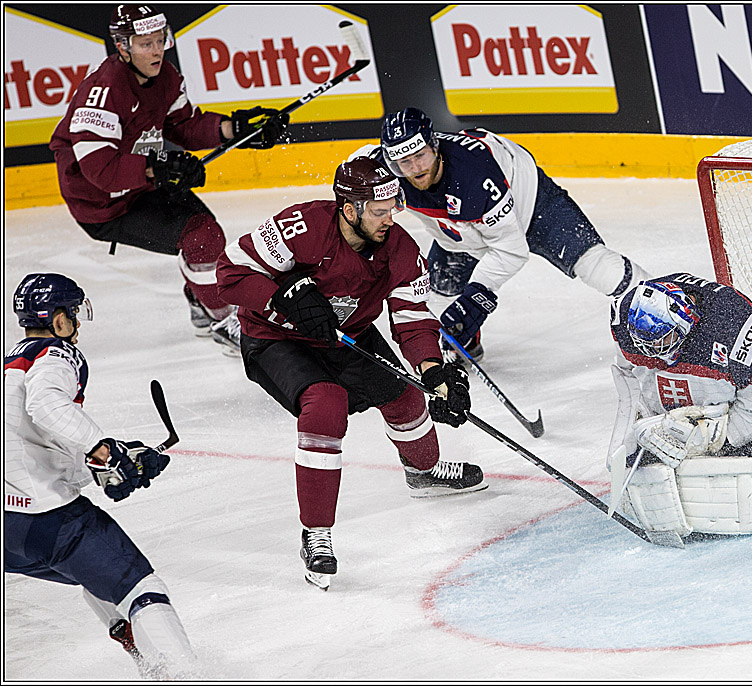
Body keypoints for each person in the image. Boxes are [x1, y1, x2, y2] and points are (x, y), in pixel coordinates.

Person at [215, 157, 487, 591]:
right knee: (326, 404)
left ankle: (424, 471)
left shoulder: (401, 251)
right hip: (274, 337)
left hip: (347, 335)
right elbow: (227, 273)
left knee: (406, 397)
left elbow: (412, 321)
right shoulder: (299, 227)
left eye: (392, 207)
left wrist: (435, 373)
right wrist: (282, 296)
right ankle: (316, 534)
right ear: (349, 209)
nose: (389, 219)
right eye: (378, 211)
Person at [48, 5, 288, 355]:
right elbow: (99, 172)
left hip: (139, 184)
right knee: (202, 237)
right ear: (123, 47)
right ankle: (224, 321)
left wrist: (235, 129)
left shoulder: (165, 77)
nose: (157, 50)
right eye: (145, 43)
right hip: (103, 205)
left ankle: (200, 300)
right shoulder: (104, 90)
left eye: (160, 40)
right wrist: (158, 169)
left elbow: (184, 125)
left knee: (205, 236)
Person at [5, 273, 193, 677]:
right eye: (72, 314)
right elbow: (47, 408)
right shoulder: (57, 353)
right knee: (140, 587)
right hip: (46, 520)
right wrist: (103, 450)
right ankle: (185, 676)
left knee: (90, 570)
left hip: (8, 533)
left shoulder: (8, 366)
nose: (74, 322)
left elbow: (30, 443)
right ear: (58, 320)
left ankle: (128, 633)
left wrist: (103, 466)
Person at [354, 107, 651, 360]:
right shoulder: (381, 171)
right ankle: (462, 342)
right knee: (440, 291)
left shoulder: (474, 174)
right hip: (459, 230)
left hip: (532, 202)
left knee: (596, 265)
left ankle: (661, 306)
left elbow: (510, 250)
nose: (415, 169)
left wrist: (477, 297)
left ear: (435, 146)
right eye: (403, 162)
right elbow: (349, 182)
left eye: (420, 156)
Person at [605, 272, 752, 545]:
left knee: (743, 469)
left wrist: (712, 438)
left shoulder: (733, 330)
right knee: (652, 458)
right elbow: (630, 380)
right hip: (708, 401)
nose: (654, 351)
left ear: (684, 322)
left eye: (663, 341)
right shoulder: (627, 321)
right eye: (646, 345)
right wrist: (630, 438)